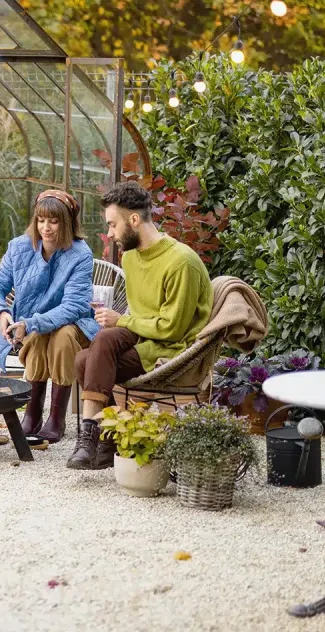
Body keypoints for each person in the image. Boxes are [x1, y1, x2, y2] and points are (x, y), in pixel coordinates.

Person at [67, 181, 213, 470]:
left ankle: (92, 438)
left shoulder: (181, 262)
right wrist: (121, 323)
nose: (109, 234)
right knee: (90, 353)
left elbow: (172, 328)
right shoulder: (131, 257)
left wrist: (121, 320)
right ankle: (102, 440)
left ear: (134, 220)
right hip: (142, 336)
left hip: (171, 349)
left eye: (112, 225)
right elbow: (138, 313)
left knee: (89, 359)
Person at [0, 189, 98, 443]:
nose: (46, 227)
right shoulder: (19, 247)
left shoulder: (80, 254)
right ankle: (32, 414)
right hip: (29, 328)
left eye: (54, 221)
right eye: (41, 220)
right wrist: (1, 312)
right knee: (39, 337)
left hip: (73, 325)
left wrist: (32, 323)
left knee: (62, 335)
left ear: (66, 223)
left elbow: (74, 306)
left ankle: (56, 419)